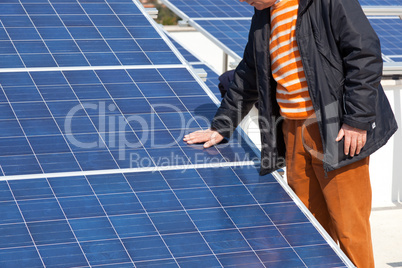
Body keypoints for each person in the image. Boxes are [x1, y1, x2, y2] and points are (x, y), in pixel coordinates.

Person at [183, 0, 398, 267]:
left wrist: (357, 119)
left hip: (336, 128)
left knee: (348, 227)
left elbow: (364, 54)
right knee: (308, 226)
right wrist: (221, 126)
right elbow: (248, 73)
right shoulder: (263, 15)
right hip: (292, 131)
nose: (242, 1)